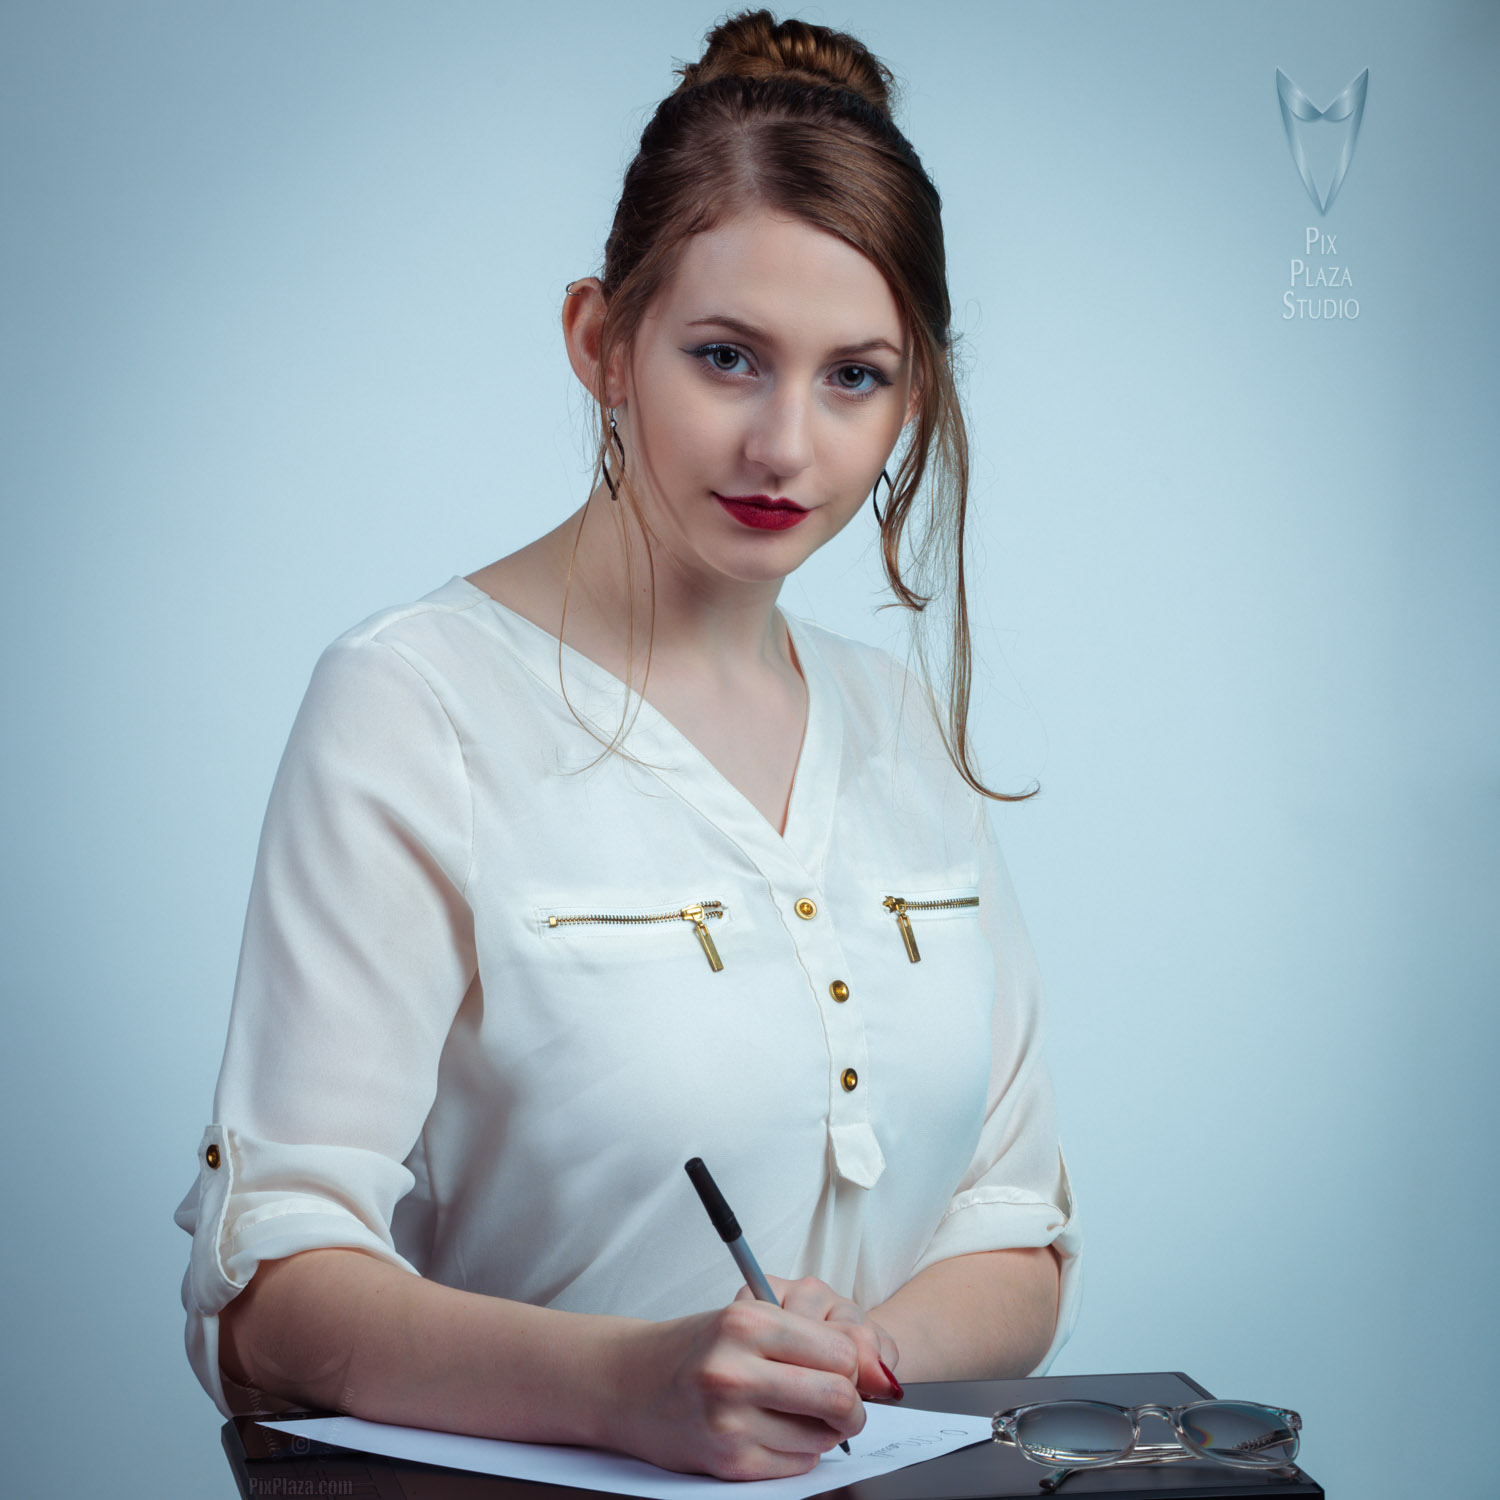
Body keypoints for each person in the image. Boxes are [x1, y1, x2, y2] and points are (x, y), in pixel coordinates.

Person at [175, 9, 1080, 1482]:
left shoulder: (903, 729)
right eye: (728, 357)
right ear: (604, 343)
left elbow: (1018, 1228)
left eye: (856, 376)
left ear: (914, 390)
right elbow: (271, 1298)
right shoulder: (415, 703)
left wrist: (849, 1364)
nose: (788, 445)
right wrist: (633, 1387)